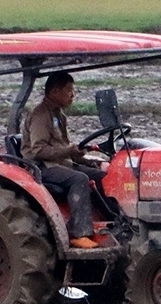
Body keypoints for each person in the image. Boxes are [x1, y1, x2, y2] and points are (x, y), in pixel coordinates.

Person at [21, 71, 105, 249]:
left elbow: (63, 149)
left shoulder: (58, 115)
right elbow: (38, 150)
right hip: (41, 167)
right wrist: (69, 150)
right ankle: (79, 232)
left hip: (59, 163)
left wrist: (87, 159)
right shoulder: (40, 115)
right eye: (69, 90)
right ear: (54, 92)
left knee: (100, 175)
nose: (72, 95)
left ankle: (111, 222)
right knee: (79, 179)